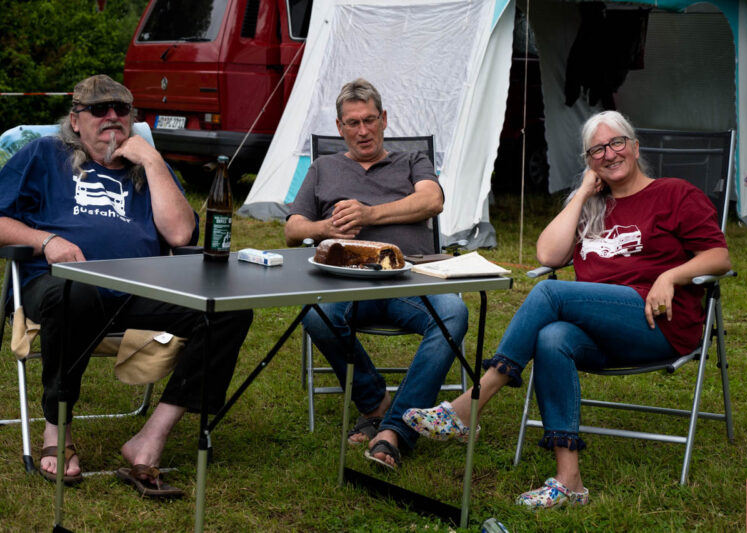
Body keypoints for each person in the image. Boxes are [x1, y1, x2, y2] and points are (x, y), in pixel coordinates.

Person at [403, 111, 731, 509]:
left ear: (635, 146)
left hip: (655, 323)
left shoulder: (674, 193)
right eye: (597, 150)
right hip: (601, 332)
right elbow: (548, 255)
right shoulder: (593, 205)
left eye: (617, 143)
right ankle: (569, 481)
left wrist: (671, 276)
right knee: (551, 336)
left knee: (549, 294)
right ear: (589, 162)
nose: (609, 154)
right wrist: (582, 194)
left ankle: (472, 404)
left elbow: (719, 257)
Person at [0, 74, 253, 496]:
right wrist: (44, 240)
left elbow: (179, 234)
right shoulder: (43, 154)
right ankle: (56, 429)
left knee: (228, 308)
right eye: (99, 110)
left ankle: (151, 437)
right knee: (76, 291)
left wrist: (152, 161)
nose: (112, 117)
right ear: (76, 120)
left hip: (140, 291)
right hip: (59, 285)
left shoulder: (146, 166)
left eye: (122, 110)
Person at [285, 78, 468, 469]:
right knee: (316, 315)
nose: (363, 130)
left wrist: (369, 214)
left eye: (370, 120)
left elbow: (432, 200)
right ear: (340, 128)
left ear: (384, 119)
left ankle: (393, 430)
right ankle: (375, 403)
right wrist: (324, 228)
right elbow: (293, 229)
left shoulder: (412, 160)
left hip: (410, 280)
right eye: (353, 123)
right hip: (346, 283)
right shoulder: (323, 167)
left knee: (454, 313)